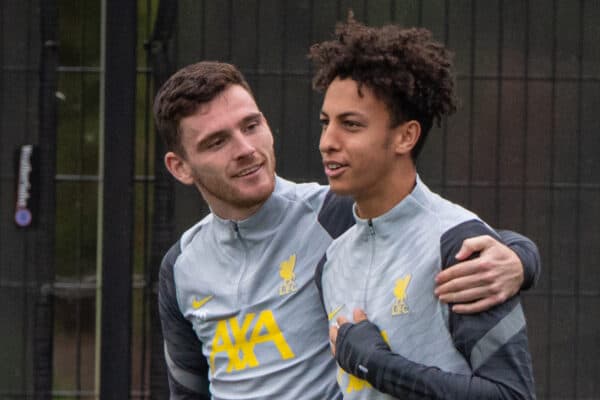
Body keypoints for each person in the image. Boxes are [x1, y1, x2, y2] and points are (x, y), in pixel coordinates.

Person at [153, 61, 540, 399]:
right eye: (217, 141)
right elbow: (187, 392)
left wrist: (521, 258)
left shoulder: (335, 214)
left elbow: (434, 226)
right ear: (180, 167)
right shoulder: (180, 267)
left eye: (251, 125)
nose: (245, 148)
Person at [310, 18, 536, 399]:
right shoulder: (332, 260)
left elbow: (512, 395)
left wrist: (377, 364)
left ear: (405, 136)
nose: (327, 142)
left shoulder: (462, 247)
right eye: (325, 122)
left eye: (350, 124)